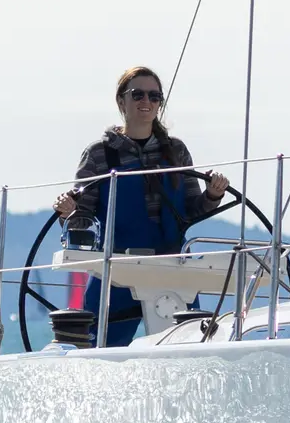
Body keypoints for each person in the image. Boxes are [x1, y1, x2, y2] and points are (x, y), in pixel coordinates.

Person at [52, 66, 229, 346]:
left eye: (154, 96)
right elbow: (82, 219)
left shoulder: (176, 151)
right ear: (121, 101)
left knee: (186, 351)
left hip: (173, 265)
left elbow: (193, 210)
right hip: (114, 269)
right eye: (138, 94)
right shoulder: (99, 154)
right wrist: (68, 212)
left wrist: (213, 195)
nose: (146, 101)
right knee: (99, 351)